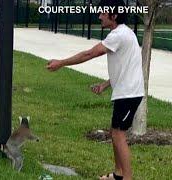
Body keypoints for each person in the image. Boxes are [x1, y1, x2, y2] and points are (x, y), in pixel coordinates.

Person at [46, 0, 144, 180]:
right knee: (115, 132)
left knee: (119, 134)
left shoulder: (118, 35)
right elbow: (127, 67)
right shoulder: (126, 33)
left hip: (129, 94)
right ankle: (118, 174)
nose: (99, 16)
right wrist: (105, 84)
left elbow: (89, 54)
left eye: (103, 14)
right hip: (126, 92)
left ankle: (127, 177)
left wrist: (61, 63)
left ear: (113, 16)